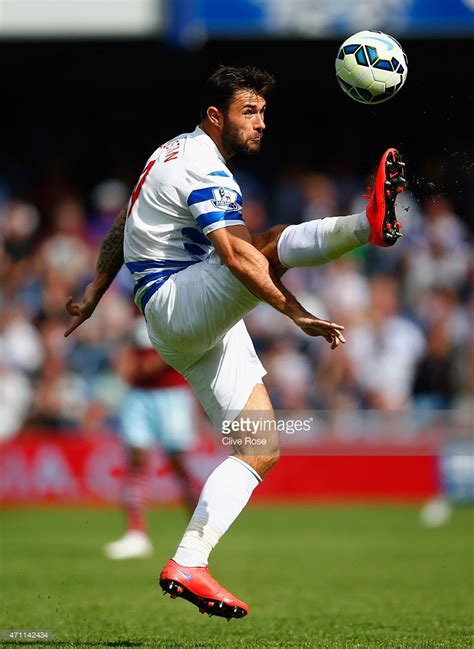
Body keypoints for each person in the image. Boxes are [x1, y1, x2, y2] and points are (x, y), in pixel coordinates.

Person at [65, 65, 406, 619]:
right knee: (264, 244)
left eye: (265, 112)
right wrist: (298, 314)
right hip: (179, 302)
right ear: (215, 116)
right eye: (250, 112)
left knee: (260, 447)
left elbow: (122, 229)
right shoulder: (204, 167)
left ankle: (188, 563)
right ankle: (366, 227)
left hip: (187, 325)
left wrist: (93, 293)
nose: (261, 123)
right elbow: (237, 257)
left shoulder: (169, 152)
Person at [104, 315, 197, 560]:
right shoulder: (138, 314)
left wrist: (150, 365)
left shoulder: (177, 311)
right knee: (136, 460)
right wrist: (125, 363)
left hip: (171, 394)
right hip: (139, 394)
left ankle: (200, 529)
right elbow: (130, 349)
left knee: (178, 464)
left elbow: (184, 346)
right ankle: (136, 533)